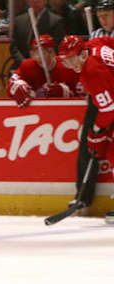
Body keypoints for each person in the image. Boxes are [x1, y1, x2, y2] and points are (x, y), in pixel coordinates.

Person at [58, 35, 114, 223]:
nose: (71, 64)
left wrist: (96, 130)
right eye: (66, 61)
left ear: (83, 54)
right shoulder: (95, 44)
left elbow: (108, 110)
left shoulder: (91, 72)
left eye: (73, 59)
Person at [67, 0, 114, 217]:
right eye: (101, 15)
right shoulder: (95, 36)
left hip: (107, 96)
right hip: (100, 97)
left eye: (108, 15)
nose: (104, 19)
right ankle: (83, 196)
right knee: (90, 143)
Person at [8, 34, 84, 108]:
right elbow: (11, 83)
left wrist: (66, 92)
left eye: (42, 54)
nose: (37, 58)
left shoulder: (68, 66)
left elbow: (84, 97)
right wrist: (17, 86)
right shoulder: (28, 66)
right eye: (34, 54)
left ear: (52, 53)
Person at [10, 0, 65, 68]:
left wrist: (40, 62)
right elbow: (14, 46)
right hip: (22, 66)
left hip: (45, 67)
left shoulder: (55, 21)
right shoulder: (18, 20)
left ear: (45, 1)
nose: (35, 1)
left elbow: (57, 47)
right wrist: (24, 62)